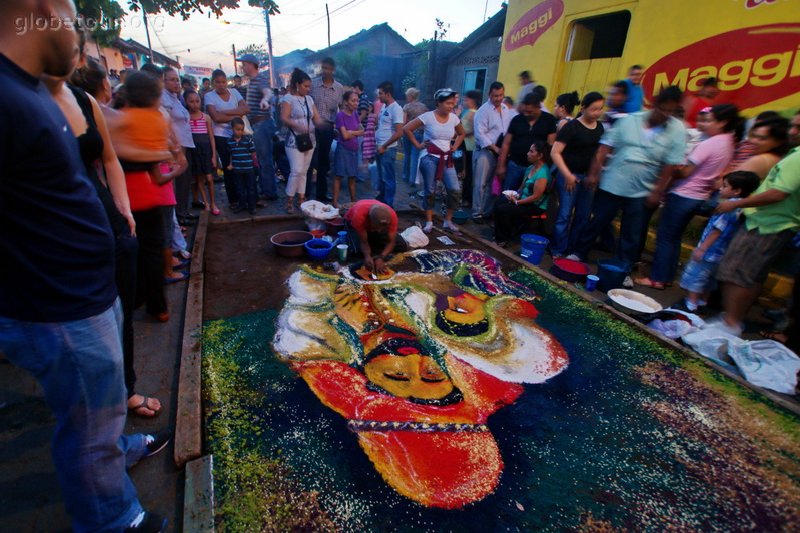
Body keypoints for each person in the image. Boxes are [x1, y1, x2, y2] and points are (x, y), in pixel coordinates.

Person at [0, 2, 168, 530]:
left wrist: (116, 215)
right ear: (43, 10)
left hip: (88, 286)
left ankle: (115, 448)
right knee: (86, 429)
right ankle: (112, 520)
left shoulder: (33, 91)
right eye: (75, 18)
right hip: (58, 301)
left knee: (102, 405)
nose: (81, 35)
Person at [567, 86, 686, 276]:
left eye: (670, 111)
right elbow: (603, 149)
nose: (665, 114)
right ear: (654, 105)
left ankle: (623, 269)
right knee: (598, 221)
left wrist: (657, 191)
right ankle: (578, 253)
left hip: (642, 190)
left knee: (632, 233)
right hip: (613, 183)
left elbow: (670, 165)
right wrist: (593, 174)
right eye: (662, 109)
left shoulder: (677, 129)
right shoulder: (631, 121)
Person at [635, 103, 740, 289]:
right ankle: (665, 276)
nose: (705, 124)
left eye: (710, 121)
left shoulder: (711, 143)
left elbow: (684, 172)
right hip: (698, 196)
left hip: (684, 194)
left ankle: (658, 279)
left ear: (723, 123)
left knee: (666, 238)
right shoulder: (728, 143)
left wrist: (670, 167)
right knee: (673, 238)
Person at [713, 113, 800, 335]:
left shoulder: (797, 158)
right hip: (769, 223)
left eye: (798, 127)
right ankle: (733, 320)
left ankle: (730, 324)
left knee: (734, 272)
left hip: (768, 224)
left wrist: (738, 203)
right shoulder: (792, 154)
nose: (793, 131)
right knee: (750, 275)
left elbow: (778, 193)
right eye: (793, 126)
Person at [678, 171, 760, 312]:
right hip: (722, 253)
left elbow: (717, 229)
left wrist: (702, 248)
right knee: (710, 279)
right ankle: (703, 301)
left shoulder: (728, 207)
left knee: (696, 276)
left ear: (737, 191)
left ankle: (690, 304)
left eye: (725, 186)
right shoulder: (742, 207)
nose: (720, 189)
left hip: (710, 251)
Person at [549, 92, 605, 258]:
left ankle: (573, 250)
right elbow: (555, 152)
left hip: (587, 178)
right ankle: (558, 249)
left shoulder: (599, 128)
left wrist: (595, 175)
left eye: (600, 109)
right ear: (583, 108)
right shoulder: (572, 127)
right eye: (593, 109)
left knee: (583, 215)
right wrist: (567, 175)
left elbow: (598, 154)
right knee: (565, 214)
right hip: (569, 176)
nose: (597, 113)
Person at [404, 88, 466, 233]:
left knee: (454, 189)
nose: (451, 107)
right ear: (438, 103)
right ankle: (429, 221)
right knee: (430, 190)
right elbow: (407, 129)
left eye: (452, 104)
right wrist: (418, 145)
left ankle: (448, 220)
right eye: (448, 103)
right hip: (429, 156)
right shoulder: (428, 116)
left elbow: (462, 134)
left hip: (446, 157)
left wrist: (454, 146)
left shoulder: (454, 118)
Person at [493, 141, 552, 246]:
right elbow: (522, 186)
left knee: (503, 209)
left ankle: (502, 239)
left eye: (531, 151)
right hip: (523, 200)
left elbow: (536, 197)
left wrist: (518, 202)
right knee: (498, 203)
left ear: (540, 155)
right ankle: (501, 234)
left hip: (535, 205)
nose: (527, 153)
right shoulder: (530, 168)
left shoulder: (543, 173)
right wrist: (516, 195)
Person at [205, 69, 248, 210]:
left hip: (239, 136)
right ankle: (233, 199)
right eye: (217, 82)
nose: (221, 85)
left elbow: (245, 108)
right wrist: (236, 117)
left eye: (223, 82)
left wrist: (224, 112)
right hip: (221, 136)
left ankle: (245, 196)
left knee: (243, 164)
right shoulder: (209, 96)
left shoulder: (234, 92)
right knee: (228, 168)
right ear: (213, 83)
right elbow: (216, 118)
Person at [496, 92, 557, 191]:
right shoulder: (517, 119)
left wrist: (547, 168)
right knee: (508, 194)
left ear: (538, 107)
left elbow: (550, 145)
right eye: (525, 111)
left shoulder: (549, 120)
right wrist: (501, 165)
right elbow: (506, 143)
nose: (526, 114)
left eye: (530, 111)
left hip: (536, 168)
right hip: (515, 164)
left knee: (528, 195)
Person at [237, 53, 277, 202]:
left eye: (244, 64)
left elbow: (268, 92)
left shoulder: (259, 79)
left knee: (264, 159)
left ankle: (269, 192)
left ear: (251, 64)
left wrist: (266, 100)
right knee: (262, 159)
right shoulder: (252, 81)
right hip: (258, 124)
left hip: (262, 124)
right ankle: (267, 189)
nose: (243, 67)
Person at [472, 81, 514, 223]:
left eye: (501, 95)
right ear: (490, 94)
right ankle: (477, 212)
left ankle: (487, 211)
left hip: (500, 152)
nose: (498, 98)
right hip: (485, 151)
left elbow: (507, 130)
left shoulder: (505, 109)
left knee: (493, 184)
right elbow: (480, 134)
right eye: (495, 95)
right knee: (480, 184)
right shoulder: (483, 111)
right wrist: (495, 148)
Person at [281, 67, 321, 213]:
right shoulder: (288, 99)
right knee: (296, 170)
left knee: (304, 171)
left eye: (309, 86)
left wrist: (324, 125)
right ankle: (289, 200)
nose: (308, 89)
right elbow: (284, 118)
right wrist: (297, 125)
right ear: (297, 84)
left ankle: (301, 199)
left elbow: (316, 118)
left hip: (310, 140)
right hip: (294, 141)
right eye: (306, 86)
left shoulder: (309, 99)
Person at [307, 57, 344, 201]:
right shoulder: (313, 84)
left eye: (328, 68)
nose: (325, 71)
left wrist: (340, 127)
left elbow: (340, 109)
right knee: (309, 160)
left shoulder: (339, 88)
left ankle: (321, 194)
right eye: (323, 68)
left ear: (333, 70)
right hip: (311, 127)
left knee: (323, 162)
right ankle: (305, 194)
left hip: (328, 128)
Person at [161, 66, 195, 222]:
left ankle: (183, 210)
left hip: (185, 143)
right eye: (172, 80)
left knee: (184, 180)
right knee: (176, 181)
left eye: (178, 80)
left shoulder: (175, 98)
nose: (176, 83)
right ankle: (177, 216)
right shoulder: (164, 98)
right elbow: (166, 124)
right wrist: (175, 147)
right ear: (163, 80)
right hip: (175, 145)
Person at [344, 200, 408, 273]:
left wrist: (381, 258)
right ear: (370, 220)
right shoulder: (359, 216)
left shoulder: (392, 216)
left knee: (402, 245)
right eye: (376, 227)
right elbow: (364, 242)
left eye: (382, 228)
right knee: (357, 252)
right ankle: (372, 247)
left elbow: (391, 241)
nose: (379, 231)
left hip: (370, 228)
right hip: (353, 224)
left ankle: (374, 248)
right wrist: (367, 256)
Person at [185, 90, 219, 215]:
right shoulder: (186, 117)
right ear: (186, 102)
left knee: (209, 178)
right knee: (199, 179)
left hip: (206, 151)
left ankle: (213, 202)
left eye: (197, 101)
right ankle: (206, 203)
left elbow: (211, 137)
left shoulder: (206, 117)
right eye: (191, 101)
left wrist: (214, 156)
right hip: (193, 152)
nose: (194, 104)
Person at [375, 80, 405, 207]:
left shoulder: (396, 109)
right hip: (380, 147)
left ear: (388, 94)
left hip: (388, 149)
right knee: (382, 176)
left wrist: (384, 146)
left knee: (389, 178)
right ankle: (381, 199)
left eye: (381, 94)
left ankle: (388, 205)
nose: (379, 96)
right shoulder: (384, 106)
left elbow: (399, 132)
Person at [333, 90, 364, 207]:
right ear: (346, 102)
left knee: (352, 177)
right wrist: (355, 133)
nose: (356, 103)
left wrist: (352, 132)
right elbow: (345, 136)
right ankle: (335, 202)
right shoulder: (340, 115)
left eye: (357, 101)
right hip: (343, 149)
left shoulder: (355, 114)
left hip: (354, 150)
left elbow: (362, 131)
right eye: (353, 100)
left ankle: (353, 201)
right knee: (338, 176)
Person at [227, 117, 258, 215]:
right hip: (237, 169)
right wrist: (231, 164)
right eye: (237, 129)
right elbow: (231, 154)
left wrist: (255, 165)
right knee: (239, 189)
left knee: (251, 188)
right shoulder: (230, 141)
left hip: (249, 169)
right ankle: (242, 205)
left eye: (241, 130)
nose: (239, 132)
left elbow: (253, 153)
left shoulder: (247, 140)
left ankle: (252, 206)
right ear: (232, 128)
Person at [402, 87, 428, 184]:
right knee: (415, 156)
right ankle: (413, 179)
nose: (406, 98)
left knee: (407, 155)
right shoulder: (424, 107)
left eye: (407, 96)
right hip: (420, 133)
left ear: (410, 96)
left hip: (409, 132)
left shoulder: (407, 107)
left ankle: (405, 175)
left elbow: (404, 122)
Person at [459, 90, 480, 208]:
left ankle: (466, 198)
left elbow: (473, 130)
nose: (464, 101)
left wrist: (461, 133)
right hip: (465, 145)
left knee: (467, 174)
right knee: (464, 173)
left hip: (469, 147)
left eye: (466, 99)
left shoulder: (473, 113)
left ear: (473, 100)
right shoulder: (467, 112)